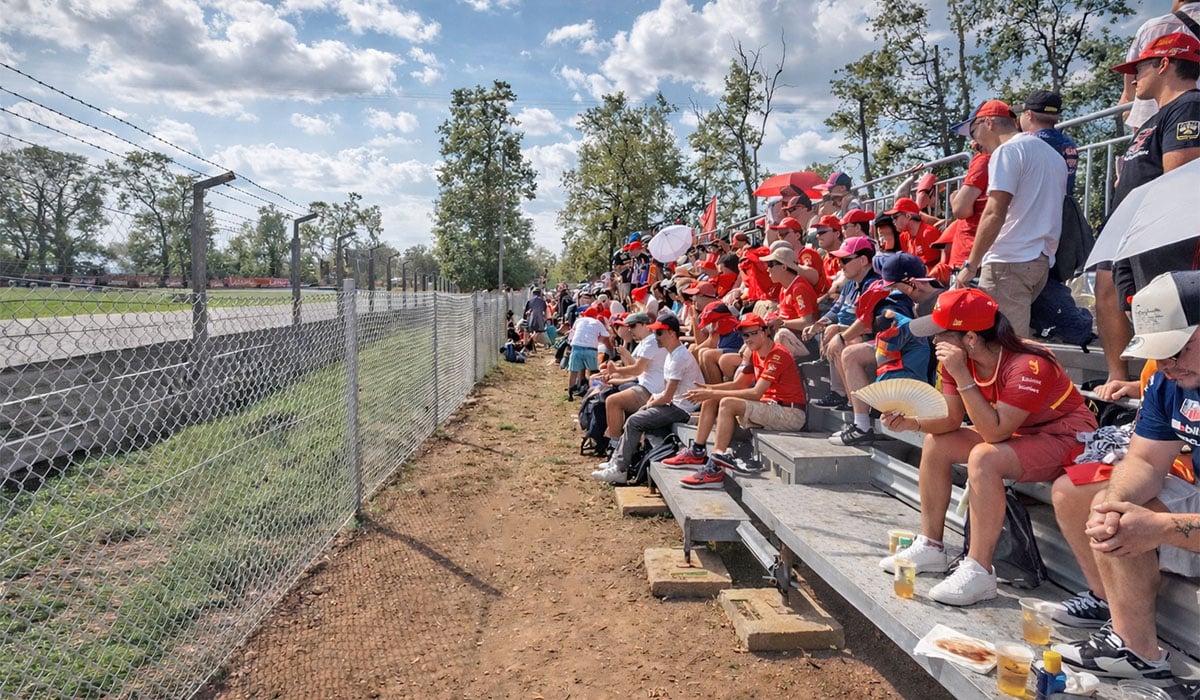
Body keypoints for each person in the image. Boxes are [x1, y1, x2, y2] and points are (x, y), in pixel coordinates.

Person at [877, 287, 1097, 606]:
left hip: (1067, 437)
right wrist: (912, 422)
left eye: (942, 333)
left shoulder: (1029, 363)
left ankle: (979, 570)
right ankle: (931, 546)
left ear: (971, 338)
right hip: (1019, 433)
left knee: (984, 457)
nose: (934, 340)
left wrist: (962, 375)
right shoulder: (957, 362)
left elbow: (993, 433)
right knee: (937, 444)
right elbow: (952, 422)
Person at [1049, 271, 1199, 691]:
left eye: (1176, 350)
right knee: (1098, 500)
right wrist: (1113, 501)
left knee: (1139, 518)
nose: (1166, 366)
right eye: (1158, 354)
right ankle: (1133, 646)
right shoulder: (1170, 379)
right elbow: (1146, 461)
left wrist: (1161, 528)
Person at [1098, 33, 1200, 394]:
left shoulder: (1189, 105)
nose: (1132, 78)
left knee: (1172, 320)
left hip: (1168, 240)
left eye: (1137, 68)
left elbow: (1182, 178)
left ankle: (1177, 408)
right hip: (1138, 237)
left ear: (1164, 64)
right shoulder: (1154, 119)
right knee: (1141, 313)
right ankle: (1150, 392)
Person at [951, 99, 1067, 338]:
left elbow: (994, 212)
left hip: (1010, 261)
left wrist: (971, 266)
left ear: (989, 123)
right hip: (1040, 259)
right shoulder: (1054, 156)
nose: (974, 142)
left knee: (1005, 348)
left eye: (974, 131)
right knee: (1012, 343)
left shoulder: (1007, 151)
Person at [663, 313, 807, 489]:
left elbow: (755, 393)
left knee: (726, 403)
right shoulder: (755, 354)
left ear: (764, 332)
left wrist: (713, 393)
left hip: (790, 413)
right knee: (711, 400)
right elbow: (738, 384)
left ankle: (715, 466)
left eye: (753, 333)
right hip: (771, 408)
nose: (748, 339)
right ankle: (697, 451)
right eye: (745, 335)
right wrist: (709, 390)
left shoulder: (778, 354)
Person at [828, 253, 932, 446]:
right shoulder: (900, 296)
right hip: (912, 354)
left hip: (918, 365)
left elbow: (900, 332)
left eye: (891, 283)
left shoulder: (926, 296)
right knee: (852, 347)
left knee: (851, 353)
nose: (888, 287)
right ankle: (862, 421)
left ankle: (862, 426)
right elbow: (875, 324)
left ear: (909, 281)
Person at [591, 313, 703, 484]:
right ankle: (617, 463)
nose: (656, 336)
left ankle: (620, 468)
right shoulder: (673, 354)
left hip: (683, 408)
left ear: (672, 333)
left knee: (635, 420)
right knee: (635, 419)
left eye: (659, 333)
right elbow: (665, 391)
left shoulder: (678, 357)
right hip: (676, 403)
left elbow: (667, 396)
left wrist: (653, 401)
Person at [803, 236, 880, 410]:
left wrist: (838, 330)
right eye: (839, 260)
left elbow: (872, 325)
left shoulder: (875, 284)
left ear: (863, 260)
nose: (841, 265)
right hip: (852, 333)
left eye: (845, 260)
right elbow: (836, 309)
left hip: (872, 338)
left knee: (843, 341)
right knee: (832, 333)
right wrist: (820, 324)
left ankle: (856, 405)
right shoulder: (850, 283)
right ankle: (843, 396)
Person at [596, 312, 666, 441]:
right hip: (646, 385)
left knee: (612, 400)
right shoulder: (646, 342)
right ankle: (612, 437)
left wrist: (616, 370)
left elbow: (637, 369)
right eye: (628, 326)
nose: (629, 329)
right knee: (609, 393)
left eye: (632, 326)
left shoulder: (651, 342)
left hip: (651, 389)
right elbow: (637, 368)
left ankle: (615, 443)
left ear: (645, 325)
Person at [565, 305, 609, 400]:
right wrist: (597, 340)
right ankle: (593, 393)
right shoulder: (597, 322)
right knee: (593, 372)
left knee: (573, 371)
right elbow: (606, 334)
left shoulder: (579, 320)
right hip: (591, 349)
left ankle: (570, 393)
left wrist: (569, 343)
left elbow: (572, 334)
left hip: (577, 347)